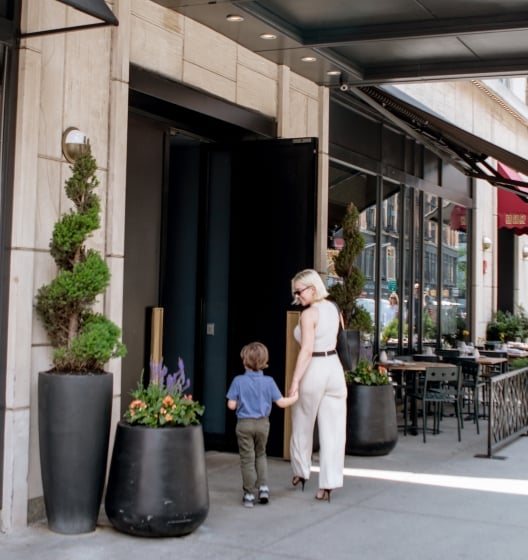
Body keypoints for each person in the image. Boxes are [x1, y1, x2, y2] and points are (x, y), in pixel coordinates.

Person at [287, 268, 347, 502]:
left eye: (299, 292)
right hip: (334, 367)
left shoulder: (309, 314)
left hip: (315, 368)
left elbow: (307, 350)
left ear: (312, 288)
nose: (297, 297)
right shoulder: (333, 308)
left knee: (302, 421)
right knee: (334, 430)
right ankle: (328, 484)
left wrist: (294, 381)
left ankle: (301, 471)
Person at [226, 341, 298, 508]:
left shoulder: (238, 381)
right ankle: (264, 488)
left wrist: (238, 402)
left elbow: (231, 405)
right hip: (263, 424)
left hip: (244, 424)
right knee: (261, 454)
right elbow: (281, 403)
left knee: (247, 459)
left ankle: (249, 494)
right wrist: (295, 397)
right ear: (264, 361)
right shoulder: (269, 382)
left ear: (245, 361)